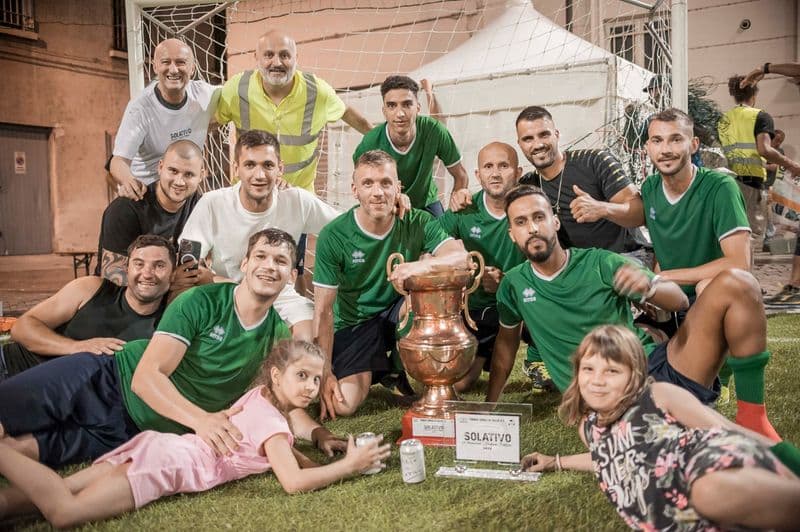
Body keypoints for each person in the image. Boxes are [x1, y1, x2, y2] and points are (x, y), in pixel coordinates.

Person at [0, 229, 343, 467]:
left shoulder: (276, 335)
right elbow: (146, 379)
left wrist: (319, 435)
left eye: (281, 261)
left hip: (131, 430)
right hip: (102, 378)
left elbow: (279, 404)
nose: (270, 266)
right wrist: (201, 421)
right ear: (245, 264)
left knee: (17, 453)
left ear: (293, 273)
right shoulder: (199, 302)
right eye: (261, 256)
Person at [487, 185, 782, 441]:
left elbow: (679, 302)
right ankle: (685, 417)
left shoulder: (600, 263)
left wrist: (650, 287)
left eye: (539, 218)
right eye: (521, 222)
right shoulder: (513, 284)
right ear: (512, 234)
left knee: (739, 282)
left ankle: (753, 416)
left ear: (555, 222)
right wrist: (489, 407)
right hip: (604, 393)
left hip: (654, 366)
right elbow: (505, 345)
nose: (533, 228)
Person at [0, 340, 391, 528]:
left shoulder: (260, 399)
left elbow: (286, 453)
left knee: (60, 489)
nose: (309, 387)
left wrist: (321, 449)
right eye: (301, 376)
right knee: (64, 512)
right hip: (166, 466)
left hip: (160, 447)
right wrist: (349, 467)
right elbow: (292, 481)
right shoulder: (273, 425)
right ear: (277, 375)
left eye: (316, 379)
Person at [521, 325, 800, 531]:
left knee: (709, 491)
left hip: (698, 469)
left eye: (612, 371)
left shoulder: (656, 396)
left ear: (634, 375)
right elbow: (611, 459)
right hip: (673, 517)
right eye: (589, 369)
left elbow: (724, 429)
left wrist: (788, 459)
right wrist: (555, 462)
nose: (597, 380)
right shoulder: (589, 427)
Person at [313, 150, 469, 419]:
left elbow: (462, 259)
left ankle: (400, 365)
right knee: (344, 405)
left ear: (398, 188)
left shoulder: (417, 220)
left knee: (422, 298)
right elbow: (323, 312)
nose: (378, 192)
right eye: (368, 183)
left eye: (386, 183)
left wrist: (419, 266)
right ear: (354, 190)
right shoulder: (334, 235)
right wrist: (325, 372)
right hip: (354, 323)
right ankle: (384, 371)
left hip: (398, 311)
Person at [179, 130, 341, 339]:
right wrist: (224, 282)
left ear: (279, 169)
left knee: (312, 333)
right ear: (236, 169)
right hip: (228, 294)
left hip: (280, 295)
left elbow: (346, 227)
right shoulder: (213, 203)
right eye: (250, 165)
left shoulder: (296, 200)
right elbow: (187, 264)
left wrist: (388, 207)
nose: (259, 175)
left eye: (268, 165)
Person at [215, 30, 371, 192]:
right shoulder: (237, 88)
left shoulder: (317, 91)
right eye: (268, 55)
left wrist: (388, 145)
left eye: (285, 55)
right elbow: (209, 123)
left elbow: (350, 116)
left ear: (296, 59)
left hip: (299, 198)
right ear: (256, 58)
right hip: (248, 194)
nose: (277, 63)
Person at [2, 236, 173, 379]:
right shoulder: (91, 289)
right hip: (10, 366)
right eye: (139, 264)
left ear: (173, 274)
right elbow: (21, 328)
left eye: (159, 266)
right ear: (126, 269)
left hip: (57, 404)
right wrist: (77, 347)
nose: (147, 273)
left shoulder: (170, 322)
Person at [437, 142, 526, 391]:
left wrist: (505, 281)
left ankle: (539, 358)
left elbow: (548, 267)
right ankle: (483, 350)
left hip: (524, 303)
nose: (495, 173)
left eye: (503, 166)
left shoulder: (530, 208)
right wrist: (463, 266)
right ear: (478, 175)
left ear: (518, 172)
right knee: (460, 383)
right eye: (488, 166)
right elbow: (429, 247)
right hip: (477, 310)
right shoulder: (464, 210)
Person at [515, 106, 647, 258]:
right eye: (528, 139)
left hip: (626, 257)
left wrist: (603, 209)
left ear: (556, 135)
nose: (538, 144)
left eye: (544, 135)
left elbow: (640, 214)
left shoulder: (594, 161)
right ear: (520, 144)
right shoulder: (529, 185)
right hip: (577, 268)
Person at [110, 39, 218, 200]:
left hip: (184, 192)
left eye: (181, 62)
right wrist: (128, 181)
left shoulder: (206, 94)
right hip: (148, 195)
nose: (173, 69)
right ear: (155, 66)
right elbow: (118, 161)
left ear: (192, 68)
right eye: (166, 62)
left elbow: (239, 92)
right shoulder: (140, 108)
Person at [97, 139, 210, 292]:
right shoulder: (125, 209)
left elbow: (196, 273)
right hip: (121, 302)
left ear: (202, 175)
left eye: (189, 174)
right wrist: (171, 279)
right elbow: (114, 279)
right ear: (160, 167)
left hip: (174, 298)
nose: (179, 182)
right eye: (173, 171)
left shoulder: (202, 207)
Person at [353, 76, 470, 216]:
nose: (400, 113)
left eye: (407, 104)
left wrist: (453, 216)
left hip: (426, 202)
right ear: (384, 111)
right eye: (391, 105)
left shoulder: (434, 131)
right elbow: (361, 187)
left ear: (418, 108)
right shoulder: (370, 142)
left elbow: (461, 176)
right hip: (390, 206)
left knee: (445, 235)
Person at [718, 75, 800, 259]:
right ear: (753, 93)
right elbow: (764, 149)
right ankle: (747, 283)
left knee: (731, 233)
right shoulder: (760, 116)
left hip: (727, 181)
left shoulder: (724, 119)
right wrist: (791, 165)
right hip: (751, 182)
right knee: (751, 235)